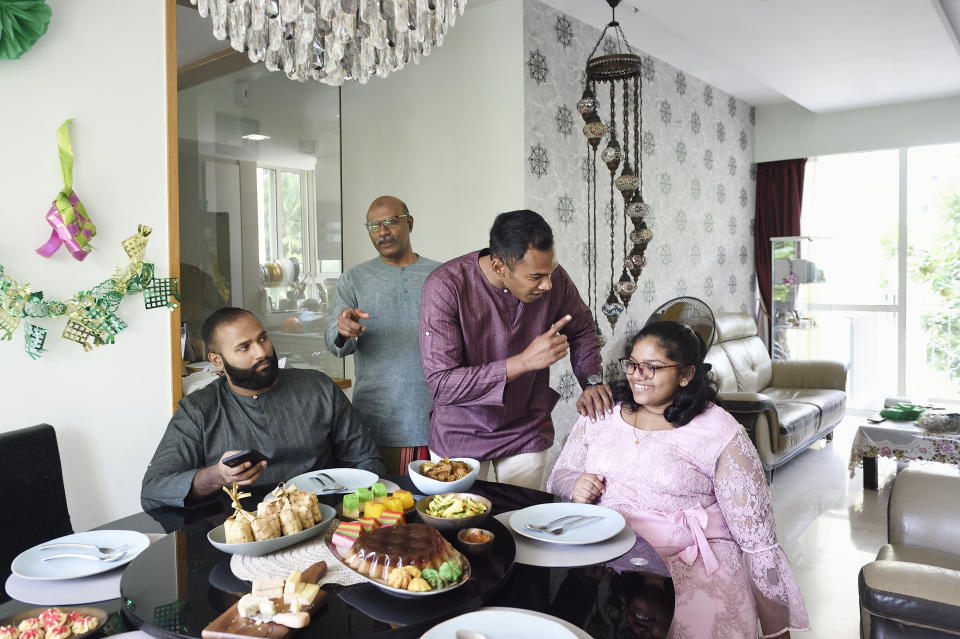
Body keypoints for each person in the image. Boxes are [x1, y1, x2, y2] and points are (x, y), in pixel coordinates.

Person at [547, 321, 809, 638]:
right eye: (632, 364)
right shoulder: (603, 411)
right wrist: (574, 484)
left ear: (686, 374)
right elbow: (559, 475)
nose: (636, 375)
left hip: (693, 563)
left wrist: (775, 632)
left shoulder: (718, 431)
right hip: (605, 558)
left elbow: (758, 542)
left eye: (652, 367)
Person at [419, 209, 610, 490]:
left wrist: (592, 380)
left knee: (523, 522)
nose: (547, 285)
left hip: (525, 426)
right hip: (460, 430)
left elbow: (582, 329)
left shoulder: (552, 279)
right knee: (461, 525)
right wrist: (522, 362)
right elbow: (442, 384)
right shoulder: (445, 286)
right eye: (535, 277)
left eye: (550, 272)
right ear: (499, 267)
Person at [141, 307, 385, 510]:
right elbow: (154, 488)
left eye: (262, 338)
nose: (261, 352)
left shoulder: (317, 387)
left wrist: (359, 510)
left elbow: (365, 458)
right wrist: (217, 476)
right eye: (244, 347)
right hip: (243, 532)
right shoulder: (199, 410)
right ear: (217, 360)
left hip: (323, 516)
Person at [324, 196, 440, 474]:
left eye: (390, 222)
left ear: (409, 223)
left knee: (432, 508)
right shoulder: (355, 278)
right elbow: (333, 342)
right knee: (382, 508)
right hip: (376, 418)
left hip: (435, 416)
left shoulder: (441, 274)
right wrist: (342, 330)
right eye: (373, 226)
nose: (382, 232)